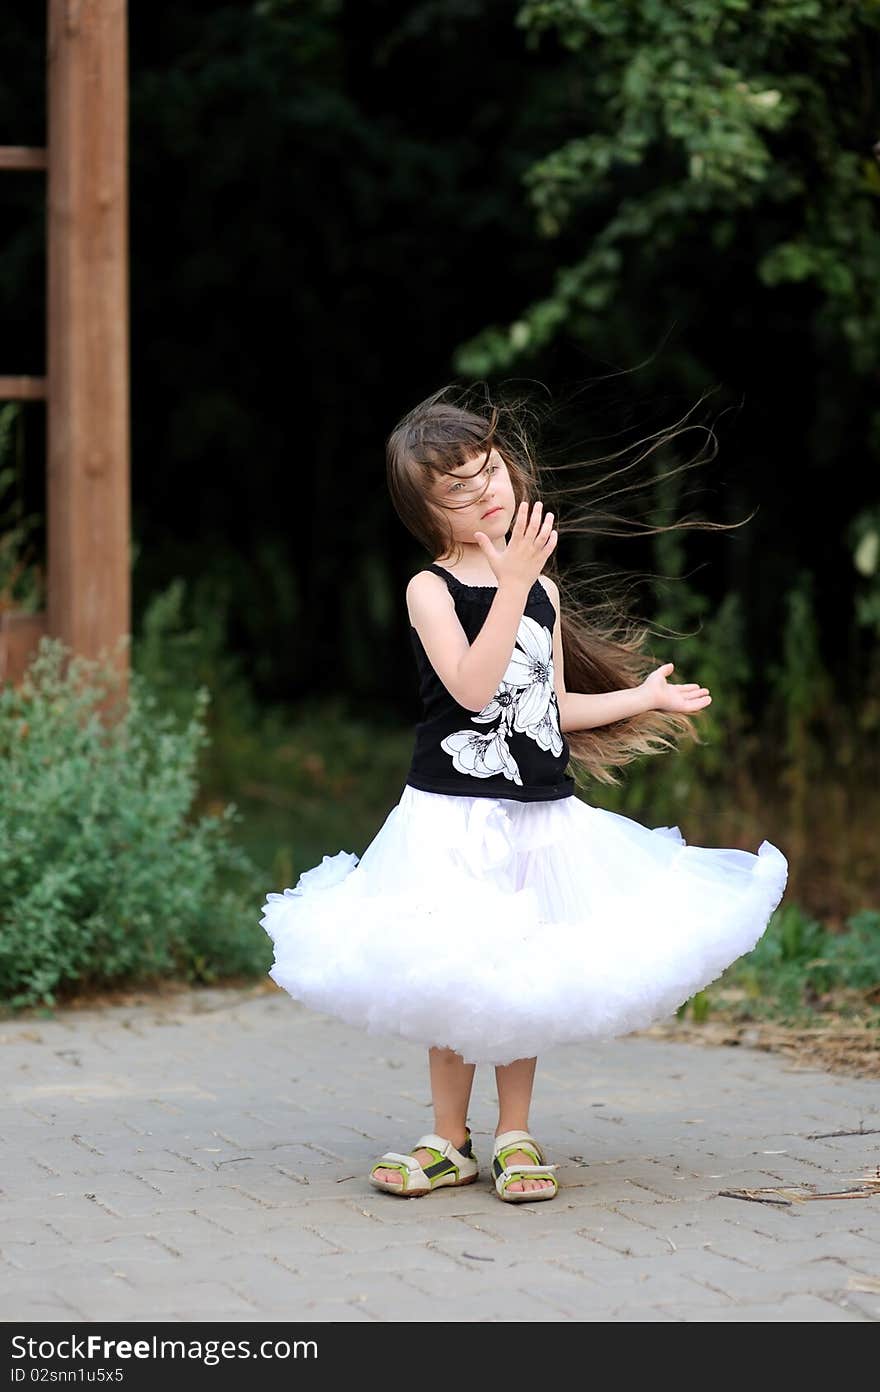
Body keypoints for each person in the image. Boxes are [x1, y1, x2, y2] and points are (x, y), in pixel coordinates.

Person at [259, 386, 789, 1204]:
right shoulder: (430, 591)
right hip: (449, 819)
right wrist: (511, 583)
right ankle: (447, 1137)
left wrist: (642, 697)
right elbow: (473, 690)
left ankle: (513, 1133)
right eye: (460, 488)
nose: (489, 492)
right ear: (430, 512)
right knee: (452, 969)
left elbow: (553, 707)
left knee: (521, 971)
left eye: (491, 470)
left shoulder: (537, 590)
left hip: (537, 817)